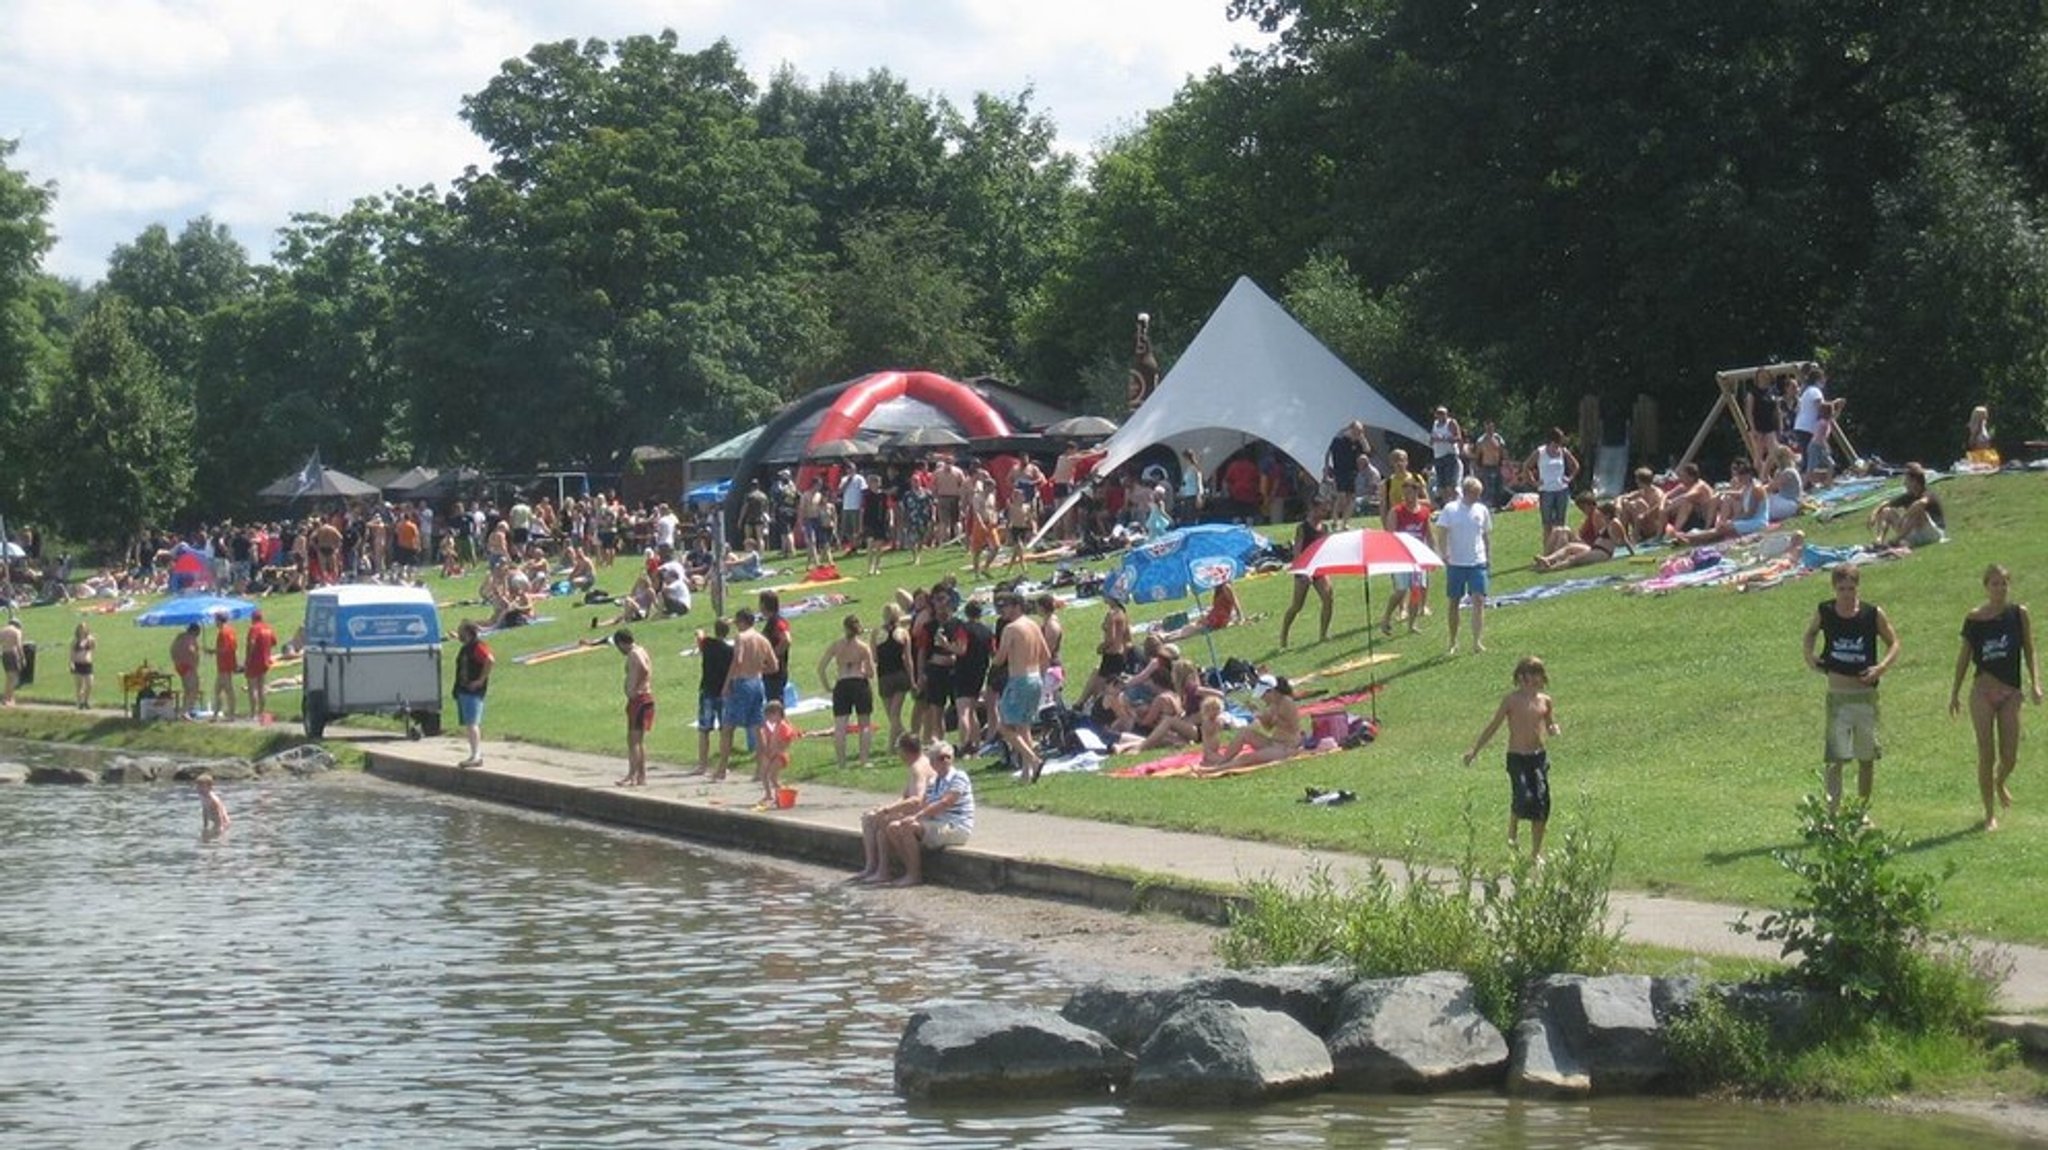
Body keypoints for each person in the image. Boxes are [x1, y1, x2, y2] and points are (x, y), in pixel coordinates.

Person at [1803, 564, 1901, 813]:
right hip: (1837, 694)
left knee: (1866, 758)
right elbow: (1811, 633)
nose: (1847, 594)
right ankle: (1832, 813)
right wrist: (1809, 655)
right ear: (1834, 588)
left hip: (1864, 694)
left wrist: (1881, 668)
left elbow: (1894, 643)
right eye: (1842, 588)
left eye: (1851, 588)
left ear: (1858, 587)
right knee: (1835, 758)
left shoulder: (1871, 613)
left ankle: (1861, 811)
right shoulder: (1825, 611)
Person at [1952, 565, 2043, 831]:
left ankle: (2000, 781)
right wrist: (1954, 692)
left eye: (2004, 584)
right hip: (1982, 690)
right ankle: (1989, 813)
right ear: (1986, 587)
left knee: (2010, 755)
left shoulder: (2018, 614)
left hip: (2011, 691)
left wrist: (2035, 683)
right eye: (1994, 584)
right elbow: (1964, 658)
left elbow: (2030, 650)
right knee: (1986, 752)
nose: (2000, 589)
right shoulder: (1975, 618)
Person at [1462, 655, 1561, 859]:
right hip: (1517, 757)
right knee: (1523, 796)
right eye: (1528, 675)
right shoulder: (1511, 701)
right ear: (1521, 677)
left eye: (1537, 675)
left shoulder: (1545, 701)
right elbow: (1493, 726)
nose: (1532, 680)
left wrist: (1553, 728)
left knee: (1541, 801)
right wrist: (1475, 750)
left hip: (1538, 757)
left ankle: (1535, 853)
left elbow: (1550, 724)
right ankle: (1513, 828)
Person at [880, 739, 975, 886]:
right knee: (893, 827)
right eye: (940, 757)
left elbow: (945, 802)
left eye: (947, 757)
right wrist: (897, 813)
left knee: (908, 827)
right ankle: (910, 868)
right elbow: (923, 804)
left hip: (955, 826)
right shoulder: (934, 781)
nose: (945, 760)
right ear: (932, 762)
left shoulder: (959, 777)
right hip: (935, 823)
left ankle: (914, 875)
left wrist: (916, 817)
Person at [853, 735, 938, 883]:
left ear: (905, 751)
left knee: (878, 822)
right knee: (870, 817)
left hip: (921, 814)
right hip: (914, 810)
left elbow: (917, 800)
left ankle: (880, 870)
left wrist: (887, 811)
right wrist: (887, 807)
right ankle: (873, 868)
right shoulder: (915, 765)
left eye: (899, 751)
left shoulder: (918, 768)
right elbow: (905, 797)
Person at [990, 594, 1051, 782]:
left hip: (1019, 679)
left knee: (1004, 726)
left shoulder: (1011, 629)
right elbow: (1046, 654)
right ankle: (1026, 773)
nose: (1003, 610)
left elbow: (1000, 659)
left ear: (1016, 606)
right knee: (1023, 727)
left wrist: (993, 653)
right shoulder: (1033, 625)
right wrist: (1041, 676)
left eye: (1006, 606)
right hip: (1035, 678)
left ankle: (1034, 760)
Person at [1435, 476, 1492, 656]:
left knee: (1479, 600)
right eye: (1476, 493)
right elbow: (1442, 532)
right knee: (1454, 602)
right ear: (1467, 492)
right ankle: (1453, 641)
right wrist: (1443, 553)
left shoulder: (1482, 510)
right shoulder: (1450, 509)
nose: (1478, 497)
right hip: (1456, 563)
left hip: (1477, 561)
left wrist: (1488, 556)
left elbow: (1484, 535)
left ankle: (1477, 641)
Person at [719, 608, 778, 779]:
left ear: (743, 621)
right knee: (757, 727)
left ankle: (722, 769)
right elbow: (774, 666)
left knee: (728, 727)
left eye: (737, 622)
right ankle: (761, 770)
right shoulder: (762, 639)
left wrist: (727, 683)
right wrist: (759, 668)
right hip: (757, 682)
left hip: (742, 682)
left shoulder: (741, 638)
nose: (736, 626)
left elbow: (737, 660)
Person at [818, 614, 876, 769]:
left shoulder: (836, 645)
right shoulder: (863, 647)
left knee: (840, 726)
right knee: (864, 724)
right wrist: (863, 669)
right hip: (859, 683)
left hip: (842, 683)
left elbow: (821, 667)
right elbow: (871, 673)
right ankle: (864, 760)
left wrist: (827, 686)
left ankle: (841, 762)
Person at [1212, 678, 1303, 769]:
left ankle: (1216, 769)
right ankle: (1222, 762)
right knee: (1244, 733)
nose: (1262, 699)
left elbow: (1290, 725)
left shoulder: (1286, 702)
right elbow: (1268, 727)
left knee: (1247, 758)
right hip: (1274, 742)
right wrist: (1257, 713)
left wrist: (1268, 716)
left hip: (1287, 747)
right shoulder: (1273, 705)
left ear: (1271, 692)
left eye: (1263, 696)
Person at [1279, 505, 1335, 648]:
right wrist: (1303, 572)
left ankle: (1323, 635)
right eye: (1322, 509)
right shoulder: (1302, 528)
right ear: (1314, 509)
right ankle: (1284, 636)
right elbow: (1297, 553)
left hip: (1319, 569)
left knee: (1328, 598)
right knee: (1297, 606)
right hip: (1303, 569)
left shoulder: (1325, 528)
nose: (1325, 512)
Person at [1381, 484, 1432, 635]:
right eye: (1405, 493)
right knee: (1401, 591)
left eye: (1410, 492)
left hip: (1418, 558)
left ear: (1417, 492)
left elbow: (1428, 534)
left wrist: (1433, 553)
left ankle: (1412, 624)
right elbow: (1390, 536)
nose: (1407, 496)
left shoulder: (1424, 512)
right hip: (1401, 557)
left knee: (1416, 590)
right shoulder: (1396, 511)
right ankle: (1386, 618)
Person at [1533, 494, 1631, 571]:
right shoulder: (1606, 522)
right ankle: (1547, 559)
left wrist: (1631, 552)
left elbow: (1622, 539)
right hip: (1595, 548)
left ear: (1607, 514)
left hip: (1602, 552)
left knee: (1573, 559)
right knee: (1567, 544)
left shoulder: (1611, 521)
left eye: (1582, 508)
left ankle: (1549, 568)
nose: (1601, 516)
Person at [691, 618, 734, 776]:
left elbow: (700, 637)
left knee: (704, 730)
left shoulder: (708, 644)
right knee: (725, 731)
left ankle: (702, 765)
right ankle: (724, 764)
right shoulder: (730, 651)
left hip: (707, 691)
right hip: (724, 692)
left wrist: (699, 631)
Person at [1870, 462, 1946, 549]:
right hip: (1916, 532)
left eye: (1906, 480)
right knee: (1887, 511)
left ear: (1914, 481)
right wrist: (1874, 514)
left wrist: (1905, 517)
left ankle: (1896, 540)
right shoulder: (1908, 496)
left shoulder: (1928, 494)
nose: (1904, 484)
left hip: (1934, 533)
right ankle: (1879, 541)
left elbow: (1920, 503)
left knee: (1918, 509)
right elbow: (1886, 503)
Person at [614, 628, 655, 787]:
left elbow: (644, 669)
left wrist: (636, 687)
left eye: (618, 646)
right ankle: (641, 776)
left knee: (633, 741)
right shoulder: (641, 649)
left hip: (639, 699)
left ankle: (632, 775)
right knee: (638, 740)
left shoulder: (634, 653)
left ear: (622, 643)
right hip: (642, 699)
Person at [1523, 429, 1579, 535]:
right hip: (1546, 491)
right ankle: (1548, 548)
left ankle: (1561, 546)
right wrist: (1534, 482)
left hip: (1562, 490)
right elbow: (1526, 466)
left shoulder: (1563, 451)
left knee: (1561, 523)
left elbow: (1576, 465)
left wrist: (1569, 478)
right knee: (1547, 524)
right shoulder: (1540, 452)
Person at [453, 620, 493, 767]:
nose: (459, 634)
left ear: (468, 632)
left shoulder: (477, 646)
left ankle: (476, 755)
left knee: (472, 723)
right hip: (464, 689)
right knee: (469, 724)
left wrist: (480, 680)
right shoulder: (467, 648)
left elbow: (489, 660)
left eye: (461, 631)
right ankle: (474, 754)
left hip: (473, 691)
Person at [873, 603, 913, 749]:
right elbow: (908, 660)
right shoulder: (903, 633)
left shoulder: (876, 633)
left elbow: (875, 658)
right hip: (900, 675)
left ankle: (892, 747)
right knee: (895, 716)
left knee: (892, 716)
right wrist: (913, 680)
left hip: (884, 676)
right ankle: (908, 742)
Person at [754, 699, 798, 811]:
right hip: (770, 753)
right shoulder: (771, 726)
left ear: (777, 714)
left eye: (770, 716)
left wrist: (778, 750)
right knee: (763, 773)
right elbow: (765, 737)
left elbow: (786, 742)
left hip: (780, 755)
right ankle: (768, 794)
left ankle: (781, 794)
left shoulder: (784, 726)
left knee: (772, 777)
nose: (768, 719)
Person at [758, 590, 792, 712]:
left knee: (775, 705)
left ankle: (780, 729)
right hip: (771, 671)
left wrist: (772, 656)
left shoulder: (777, 622)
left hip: (775, 672)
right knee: (773, 704)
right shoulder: (772, 621)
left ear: (763, 605)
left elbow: (786, 640)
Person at [244, 609, 277, 720]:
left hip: (254, 661)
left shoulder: (254, 628)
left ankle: (253, 714)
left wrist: (248, 658)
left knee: (252, 688)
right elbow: (273, 642)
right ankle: (261, 713)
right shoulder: (268, 628)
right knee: (261, 687)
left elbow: (252, 643)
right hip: (265, 661)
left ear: (253, 618)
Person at [208, 611, 240, 721]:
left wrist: (212, 651)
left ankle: (231, 715)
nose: (214, 622)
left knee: (227, 690)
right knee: (218, 689)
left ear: (219, 620)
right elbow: (234, 647)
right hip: (227, 664)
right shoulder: (230, 630)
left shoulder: (223, 632)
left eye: (215, 620)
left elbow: (225, 649)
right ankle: (215, 715)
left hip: (224, 665)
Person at [1428, 406, 1465, 501]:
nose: (1440, 415)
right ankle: (1446, 505)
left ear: (1446, 414)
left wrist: (1443, 439)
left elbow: (1458, 438)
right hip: (1438, 456)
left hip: (1449, 455)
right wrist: (1432, 440)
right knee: (1441, 485)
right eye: (1438, 413)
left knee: (1450, 484)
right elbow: (1432, 439)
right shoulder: (1435, 424)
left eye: (1443, 413)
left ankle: (1454, 502)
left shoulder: (1451, 423)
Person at [1471, 420, 1509, 509]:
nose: (1489, 429)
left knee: (1499, 486)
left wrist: (1505, 461)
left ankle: (1498, 505)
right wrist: (1477, 467)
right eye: (1487, 427)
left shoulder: (1498, 438)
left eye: (1491, 427)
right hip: (1486, 466)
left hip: (1497, 466)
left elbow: (1503, 450)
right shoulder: (1481, 440)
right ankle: (1488, 505)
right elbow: (1477, 455)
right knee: (1489, 488)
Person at [171, 623, 202, 718]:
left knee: (187, 689)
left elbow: (172, 649)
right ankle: (186, 711)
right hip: (188, 666)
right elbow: (191, 649)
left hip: (179, 666)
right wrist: (196, 655)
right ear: (195, 631)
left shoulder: (179, 637)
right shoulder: (190, 638)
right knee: (193, 689)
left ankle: (185, 709)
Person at [194, 771, 231, 836]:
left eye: (201, 787)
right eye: (198, 786)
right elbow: (204, 810)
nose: (198, 788)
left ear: (210, 788)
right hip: (214, 818)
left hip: (223, 821)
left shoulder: (213, 799)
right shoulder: (202, 796)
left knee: (219, 835)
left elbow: (220, 812)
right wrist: (205, 825)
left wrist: (222, 826)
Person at [69, 622, 94, 710]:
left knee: (90, 684)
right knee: (79, 686)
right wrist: (71, 663)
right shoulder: (75, 641)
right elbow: (71, 653)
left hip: (87, 664)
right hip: (78, 664)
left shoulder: (90, 640)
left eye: (84, 628)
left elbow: (93, 648)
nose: (82, 630)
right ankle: (80, 702)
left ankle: (86, 700)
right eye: (81, 629)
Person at [0, 615, 24, 707]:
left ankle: (9, 697)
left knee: (8, 677)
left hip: (5, 654)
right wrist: (22, 657)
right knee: (13, 678)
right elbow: (18, 645)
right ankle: (8, 699)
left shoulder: (3, 630)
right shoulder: (17, 631)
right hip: (12, 654)